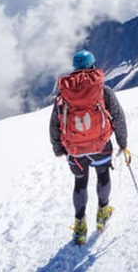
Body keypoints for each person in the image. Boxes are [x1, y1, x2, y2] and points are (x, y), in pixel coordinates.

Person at [49, 50, 131, 245]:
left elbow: (55, 123)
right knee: (103, 176)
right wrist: (123, 143)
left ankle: (79, 227)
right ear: (93, 65)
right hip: (100, 146)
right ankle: (102, 214)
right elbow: (118, 117)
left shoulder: (64, 93)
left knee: (80, 183)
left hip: (75, 151)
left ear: (76, 68)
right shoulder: (103, 90)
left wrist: (59, 148)